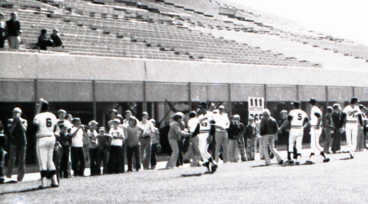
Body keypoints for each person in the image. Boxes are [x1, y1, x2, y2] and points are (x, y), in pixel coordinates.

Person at [33, 98, 59, 188]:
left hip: (42, 137)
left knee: (42, 162)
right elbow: (55, 128)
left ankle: (43, 183)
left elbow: (35, 127)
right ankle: (55, 181)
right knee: (50, 160)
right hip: (51, 137)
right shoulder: (52, 115)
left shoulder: (38, 116)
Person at [6, 107, 27, 183]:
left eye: (17, 112)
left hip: (22, 142)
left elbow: (24, 129)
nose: (15, 114)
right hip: (13, 142)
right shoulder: (10, 121)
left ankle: (20, 177)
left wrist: (19, 122)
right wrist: (15, 122)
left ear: (20, 113)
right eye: (14, 112)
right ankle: (8, 176)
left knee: (22, 160)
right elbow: (10, 131)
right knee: (12, 159)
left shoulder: (24, 120)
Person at [306, 98, 329, 164]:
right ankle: (312, 158)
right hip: (315, 127)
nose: (310, 104)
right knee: (313, 144)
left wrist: (317, 125)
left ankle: (323, 157)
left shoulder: (314, 108)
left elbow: (319, 117)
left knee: (315, 144)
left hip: (316, 127)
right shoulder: (316, 108)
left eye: (310, 103)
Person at [196, 103, 218, 173]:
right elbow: (198, 127)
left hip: (206, 134)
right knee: (201, 150)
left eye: (202, 108)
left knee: (203, 151)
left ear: (205, 108)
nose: (200, 109)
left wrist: (210, 135)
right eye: (200, 108)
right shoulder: (200, 116)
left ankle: (213, 163)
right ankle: (207, 163)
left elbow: (212, 125)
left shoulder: (210, 114)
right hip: (201, 134)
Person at [55, 109, 72, 178]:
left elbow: (69, 130)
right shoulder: (55, 121)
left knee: (66, 157)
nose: (62, 115)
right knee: (58, 158)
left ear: (65, 115)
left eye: (63, 114)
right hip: (58, 139)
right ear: (58, 114)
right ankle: (58, 173)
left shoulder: (67, 122)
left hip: (65, 140)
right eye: (60, 113)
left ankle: (65, 173)